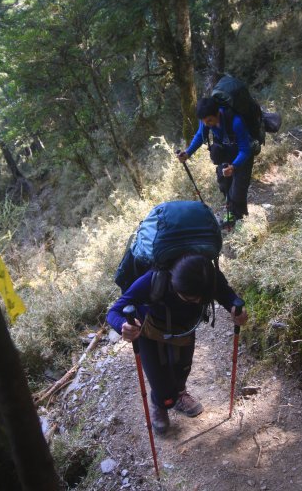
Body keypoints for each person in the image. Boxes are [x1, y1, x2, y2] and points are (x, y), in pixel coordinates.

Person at [107, 254, 248, 435]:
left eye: (201, 299)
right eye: (190, 298)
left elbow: (226, 293)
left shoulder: (207, 276)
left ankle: (180, 394)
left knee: (183, 368)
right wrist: (123, 326)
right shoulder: (153, 280)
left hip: (184, 329)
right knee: (159, 380)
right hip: (149, 330)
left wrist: (236, 309)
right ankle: (161, 404)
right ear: (174, 284)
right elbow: (114, 311)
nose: (197, 302)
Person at [178, 97, 256, 226]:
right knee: (224, 184)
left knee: (238, 191)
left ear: (217, 113)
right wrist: (187, 153)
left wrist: (234, 166)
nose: (207, 124)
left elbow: (245, 150)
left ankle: (241, 221)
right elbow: (200, 135)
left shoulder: (236, 122)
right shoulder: (206, 121)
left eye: (209, 120)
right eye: (204, 122)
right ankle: (231, 214)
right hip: (226, 153)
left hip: (243, 157)